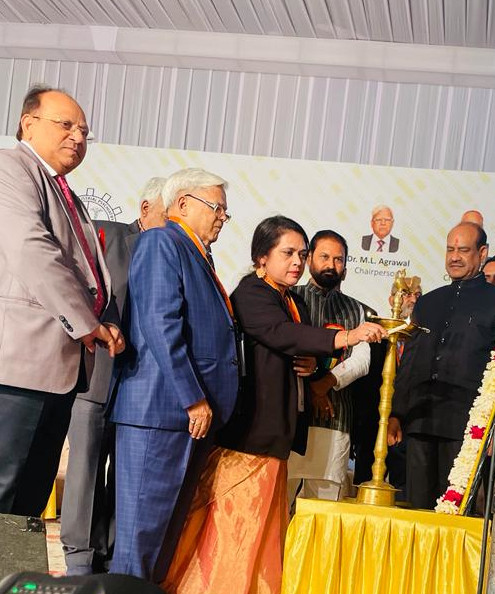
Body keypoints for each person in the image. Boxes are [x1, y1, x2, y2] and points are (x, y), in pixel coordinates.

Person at [164, 216, 386, 594]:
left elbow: (294, 345)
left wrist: (313, 363)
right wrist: (345, 336)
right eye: (288, 253)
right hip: (249, 433)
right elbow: (281, 334)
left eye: (301, 254)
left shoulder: (290, 298)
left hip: (275, 434)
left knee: (263, 528)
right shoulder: (252, 293)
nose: (298, 262)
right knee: (236, 527)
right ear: (261, 257)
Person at [109, 168, 239, 584]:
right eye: (215, 206)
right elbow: (160, 323)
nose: (222, 216)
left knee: (164, 540)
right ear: (182, 203)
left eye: (225, 211)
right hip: (162, 412)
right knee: (139, 540)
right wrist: (192, 398)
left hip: (188, 420)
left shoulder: (198, 252)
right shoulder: (162, 240)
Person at [0, 85, 124, 517]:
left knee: (29, 503)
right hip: (18, 370)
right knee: (6, 494)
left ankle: (15, 583)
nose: (77, 137)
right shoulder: (10, 167)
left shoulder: (66, 192)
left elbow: (89, 273)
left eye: (85, 131)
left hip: (58, 371)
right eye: (66, 124)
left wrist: (105, 318)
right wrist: (88, 323)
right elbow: (32, 249)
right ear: (27, 123)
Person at [60, 177, 168, 576]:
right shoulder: (109, 237)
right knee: (87, 467)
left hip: (143, 386)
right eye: (167, 212)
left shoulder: (176, 255)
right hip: (98, 375)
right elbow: (78, 289)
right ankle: (80, 558)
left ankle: (112, 555)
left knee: (125, 476)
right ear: (144, 209)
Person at [388, 222, 495, 509]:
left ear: (482, 253)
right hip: (421, 419)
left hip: (466, 425)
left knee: (456, 514)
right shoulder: (428, 302)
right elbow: (409, 362)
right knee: (418, 510)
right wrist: (397, 413)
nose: (454, 257)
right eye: (450, 249)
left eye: (463, 250)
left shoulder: (492, 302)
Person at [287, 230, 371, 502]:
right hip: (291, 418)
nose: (331, 265)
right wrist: (312, 387)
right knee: (278, 505)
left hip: (335, 417)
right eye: (324, 257)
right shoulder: (288, 297)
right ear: (309, 258)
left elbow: (362, 360)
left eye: (338, 259)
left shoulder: (356, 309)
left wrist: (325, 384)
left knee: (324, 508)